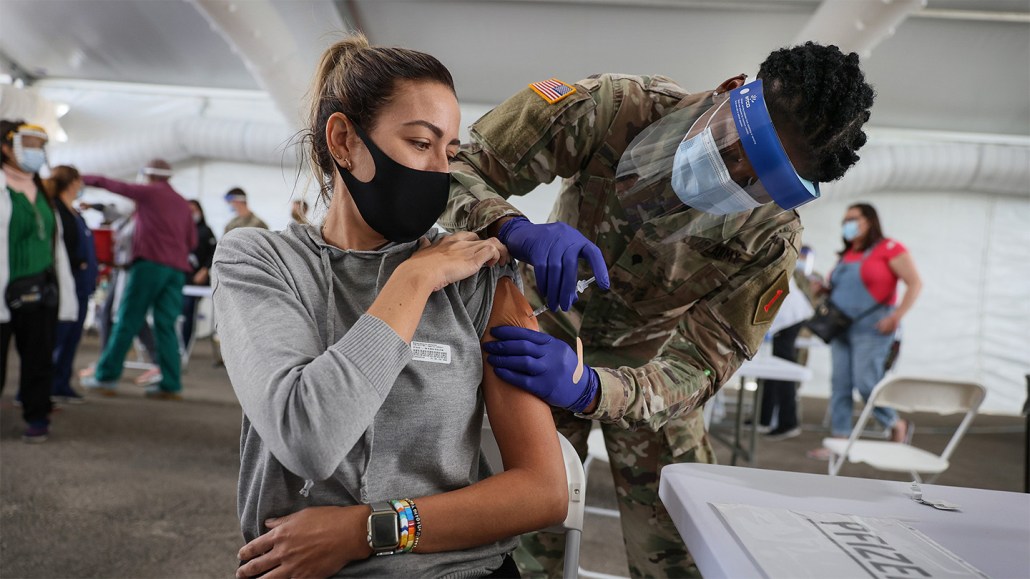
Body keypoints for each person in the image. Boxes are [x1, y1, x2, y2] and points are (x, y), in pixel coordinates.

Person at [441, 42, 876, 577]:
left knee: (687, 547)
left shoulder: (769, 238)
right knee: (522, 543)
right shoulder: (614, 108)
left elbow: (701, 363)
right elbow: (452, 167)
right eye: (737, 146)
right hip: (537, 346)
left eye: (760, 181)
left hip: (648, 375)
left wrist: (594, 389)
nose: (733, 174)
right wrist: (510, 226)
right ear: (729, 92)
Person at [213, 33, 567, 578]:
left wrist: (366, 530)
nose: (440, 171)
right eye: (420, 144)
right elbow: (308, 436)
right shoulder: (260, 261)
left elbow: (542, 492)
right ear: (344, 140)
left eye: (449, 152)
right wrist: (416, 278)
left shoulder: (480, 277)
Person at [809, 203, 922, 458]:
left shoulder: (889, 249)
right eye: (844, 220)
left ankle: (895, 423)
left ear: (870, 220)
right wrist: (823, 290)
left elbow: (915, 283)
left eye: (853, 218)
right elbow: (843, 289)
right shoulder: (846, 255)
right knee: (840, 385)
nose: (846, 224)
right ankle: (839, 441)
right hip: (840, 328)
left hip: (873, 328)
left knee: (866, 383)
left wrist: (897, 316)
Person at [80, 159, 196, 399]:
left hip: (149, 266)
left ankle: (106, 376)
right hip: (176, 271)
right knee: (166, 326)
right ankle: (171, 384)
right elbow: (192, 241)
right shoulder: (183, 204)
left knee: (127, 320)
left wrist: (81, 178)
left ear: (148, 175)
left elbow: (114, 185)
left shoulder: (149, 193)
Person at [1, 121, 78, 442]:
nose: (35, 151)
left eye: (38, 144)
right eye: (28, 143)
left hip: (41, 289)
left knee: (39, 357)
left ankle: (37, 416)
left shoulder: (42, 192)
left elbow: (54, 244)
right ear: (6, 147)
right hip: (5, 287)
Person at [45, 165, 98, 404]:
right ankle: (41, 388)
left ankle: (61, 383)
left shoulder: (74, 212)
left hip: (82, 286)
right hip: (67, 284)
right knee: (55, 338)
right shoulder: (56, 211)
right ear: (73, 182)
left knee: (72, 338)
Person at [181, 199, 216, 355]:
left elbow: (213, 253)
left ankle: (184, 347)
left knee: (189, 310)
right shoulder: (180, 230)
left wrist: (204, 270)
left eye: (194, 209)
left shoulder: (206, 231)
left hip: (198, 281)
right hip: (181, 279)